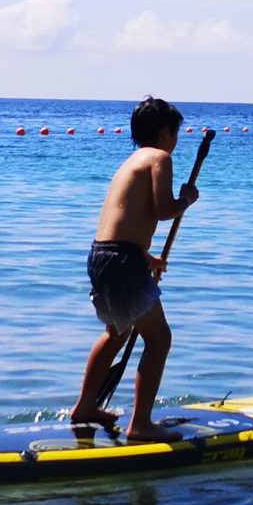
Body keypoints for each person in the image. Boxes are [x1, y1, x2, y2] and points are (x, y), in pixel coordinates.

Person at [73, 96, 200, 441]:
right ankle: (141, 424)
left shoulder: (130, 162)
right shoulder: (159, 158)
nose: (175, 142)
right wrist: (187, 199)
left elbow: (124, 222)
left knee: (118, 331)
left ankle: (86, 406)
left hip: (103, 256)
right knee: (159, 339)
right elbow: (162, 209)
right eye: (175, 133)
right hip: (122, 260)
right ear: (164, 132)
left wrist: (145, 257)